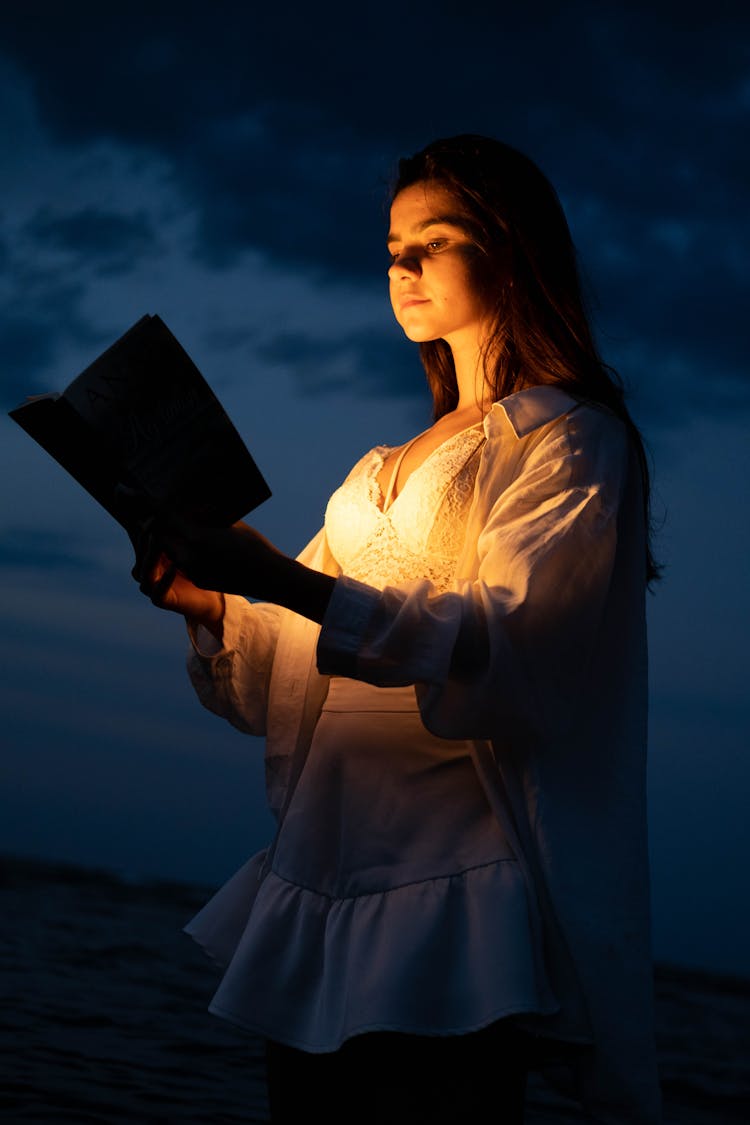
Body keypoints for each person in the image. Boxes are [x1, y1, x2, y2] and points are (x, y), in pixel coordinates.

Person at [135, 135, 662, 1123]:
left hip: (449, 893)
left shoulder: (569, 440)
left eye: (436, 239)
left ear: (510, 250)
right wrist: (213, 606)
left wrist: (284, 583)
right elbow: (295, 673)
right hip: (321, 878)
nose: (404, 267)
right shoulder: (377, 466)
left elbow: (510, 653)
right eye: (392, 247)